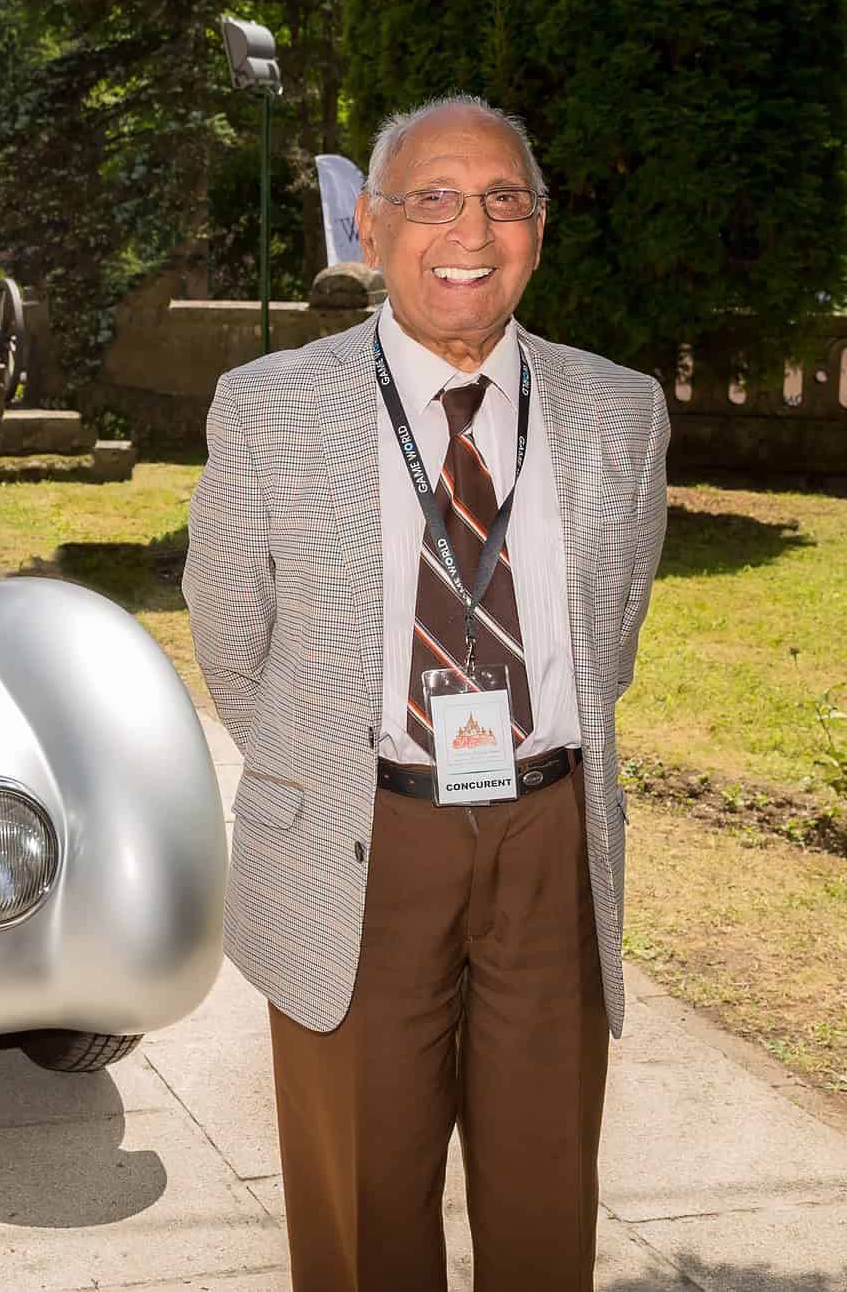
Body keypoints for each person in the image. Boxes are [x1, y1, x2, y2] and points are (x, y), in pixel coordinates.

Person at [183, 94, 670, 1291]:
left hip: (549, 836)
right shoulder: (268, 406)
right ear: (369, 225)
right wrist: (334, 767)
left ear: (538, 228)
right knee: (363, 1198)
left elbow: (609, 634)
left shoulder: (620, 409)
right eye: (433, 198)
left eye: (503, 199)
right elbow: (232, 641)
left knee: (545, 1190)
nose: (470, 229)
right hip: (359, 839)